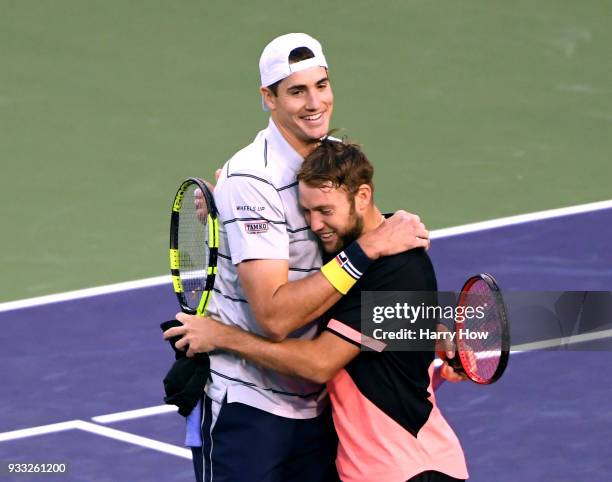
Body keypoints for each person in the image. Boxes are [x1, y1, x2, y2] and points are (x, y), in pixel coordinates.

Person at [172, 32, 433, 482]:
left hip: (324, 405)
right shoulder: (252, 179)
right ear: (268, 98)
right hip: (253, 408)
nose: (315, 103)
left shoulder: (333, 158)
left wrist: (430, 330)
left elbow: (360, 235)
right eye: (296, 91)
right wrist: (370, 247)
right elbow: (275, 317)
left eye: (321, 85)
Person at [167, 139, 469, 482]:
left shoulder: (398, 268)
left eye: (325, 211)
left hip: (406, 470)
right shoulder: (346, 252)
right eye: (306, 212)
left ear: (363, 196)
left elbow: (319, 363)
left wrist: (222, 336)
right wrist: (230, 202)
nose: (314, 225)